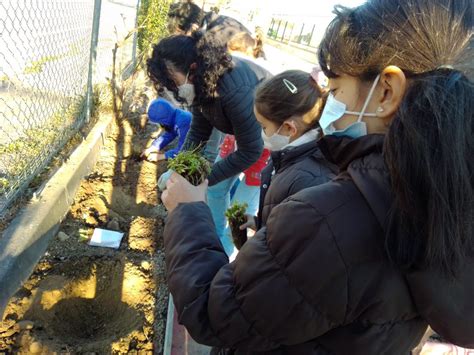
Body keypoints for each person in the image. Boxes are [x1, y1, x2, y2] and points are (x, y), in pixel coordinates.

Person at [161, 0, 473, 353]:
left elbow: (214, 314)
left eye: (337, 89)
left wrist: (187, 210)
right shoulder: (445, 197)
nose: (331, 106)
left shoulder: (331, 217)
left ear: (386, 91)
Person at [147, 32, 271, 246]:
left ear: (192, 70)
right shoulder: (202, 84)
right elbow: (198, 132)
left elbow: (252, 151)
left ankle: (228, 258)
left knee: (238, 211)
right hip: (242, 134)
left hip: (268, 141)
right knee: (216, 189)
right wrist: (177, 169)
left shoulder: (234, 92)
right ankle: (213, 239)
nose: (172, 89)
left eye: (173, 81)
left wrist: (199, 183)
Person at [239, 70, 336, 232]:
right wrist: (260, 224)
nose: (261, 132)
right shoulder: (288, 153)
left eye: (264, 126)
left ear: (289, 128)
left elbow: (284, 242)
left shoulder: (309, 181)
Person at [141, 98, 191, 162]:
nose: (160, 124)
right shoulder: (174, 116)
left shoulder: (183, 121)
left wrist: (163, 156)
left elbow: (185, 149)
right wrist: (153, 147)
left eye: (159, 122)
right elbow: (169, 135)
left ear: (164, 120)